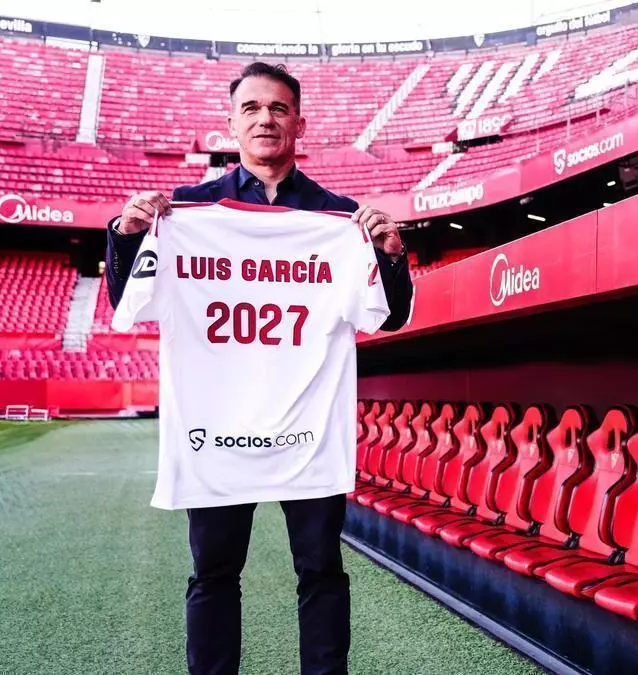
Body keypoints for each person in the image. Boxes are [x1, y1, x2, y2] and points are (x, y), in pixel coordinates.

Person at [104, 62, 413, 675]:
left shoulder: (340, 219)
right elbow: (128, 303)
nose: (265, 119)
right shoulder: (185, 212)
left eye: (278, 108)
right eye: (251, 108)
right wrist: (127, 234)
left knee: (321, 569)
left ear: (299, 122)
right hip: (218, 427)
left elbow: (390, 317)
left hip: (308, 426)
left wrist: (391, 255)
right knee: (213, 572)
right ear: (231, 123)